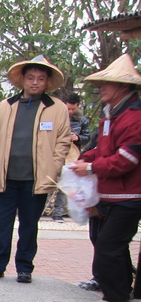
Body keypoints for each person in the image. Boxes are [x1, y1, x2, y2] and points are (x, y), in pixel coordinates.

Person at [0, 55, 70, 284]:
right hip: (6, 176)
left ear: (47, 83)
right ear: (22, 79)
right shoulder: (5, 107)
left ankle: (24, 267)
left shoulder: (57, 108)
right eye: (30, 78)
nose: (34, 83)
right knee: (0, 224)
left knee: (29, 225)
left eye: (40, 79)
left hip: (36, 178)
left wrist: (55, 165)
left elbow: (63, 141)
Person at [71, 55, 141, 302]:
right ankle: (122, 291)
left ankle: (115, 296)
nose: (101, 87)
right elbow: (101, 148)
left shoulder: (134, 117)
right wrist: (83, 159)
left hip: (130, 196)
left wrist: (89, 166)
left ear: (123, 87)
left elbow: (126, 160)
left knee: (109, 246)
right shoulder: (112, 115)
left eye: (107, 83)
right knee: (111, 244)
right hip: (112, 194)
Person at [51, 92, 92, 222]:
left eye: (73, 109)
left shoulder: (83, 120)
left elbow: (88, 137)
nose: (70, 111)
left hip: (72, 156)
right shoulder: (56, 116)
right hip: (54, 153)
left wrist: (78, 138)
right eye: (68, 108)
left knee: (67, 183)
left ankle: (59, 212)